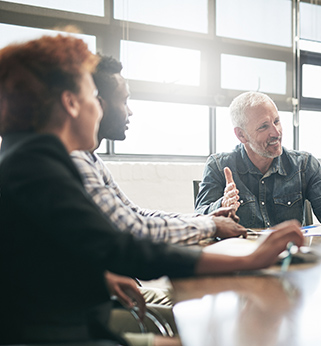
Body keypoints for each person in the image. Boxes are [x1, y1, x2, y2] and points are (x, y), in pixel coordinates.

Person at [0, 34, 303, 346]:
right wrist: (251, 257)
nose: (100, 106)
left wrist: (100, 274)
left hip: (60, 330)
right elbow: (124, 245)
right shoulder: (38, 164)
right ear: (71, 103)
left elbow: (57, 246)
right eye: (92, 96)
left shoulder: (27, 156)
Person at [71, 55, 246, 245]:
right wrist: (211, 226)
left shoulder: (92, 160)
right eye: (123, 101)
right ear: (97, 104)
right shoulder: (76, 159)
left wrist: (205, 219)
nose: (130, 111)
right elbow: (134, 229)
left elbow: (135, 213)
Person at [194, 91, 321, 229]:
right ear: (241, 135)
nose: (276, 133)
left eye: (276, 121)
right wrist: (222, 205)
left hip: (294, 260)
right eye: (264, 126)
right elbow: (199, 219)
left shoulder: (305, 164)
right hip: (245, 261)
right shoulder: (218, 166)